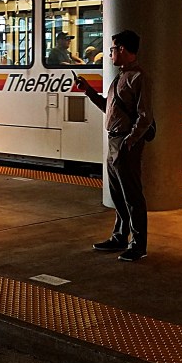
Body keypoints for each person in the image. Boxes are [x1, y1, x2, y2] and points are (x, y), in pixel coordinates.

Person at [74, 30, 152, 261]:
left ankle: (138, 245)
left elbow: (145, 115)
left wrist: (130, 140)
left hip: (125, 141)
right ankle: (119, 236)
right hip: (114, 140)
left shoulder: (138, 78)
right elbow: (109, 108)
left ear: (123, 50)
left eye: (112, 49)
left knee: (132, 195)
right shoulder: (121, 76)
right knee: (118, 193)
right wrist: (88, 90)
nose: (109, 53)